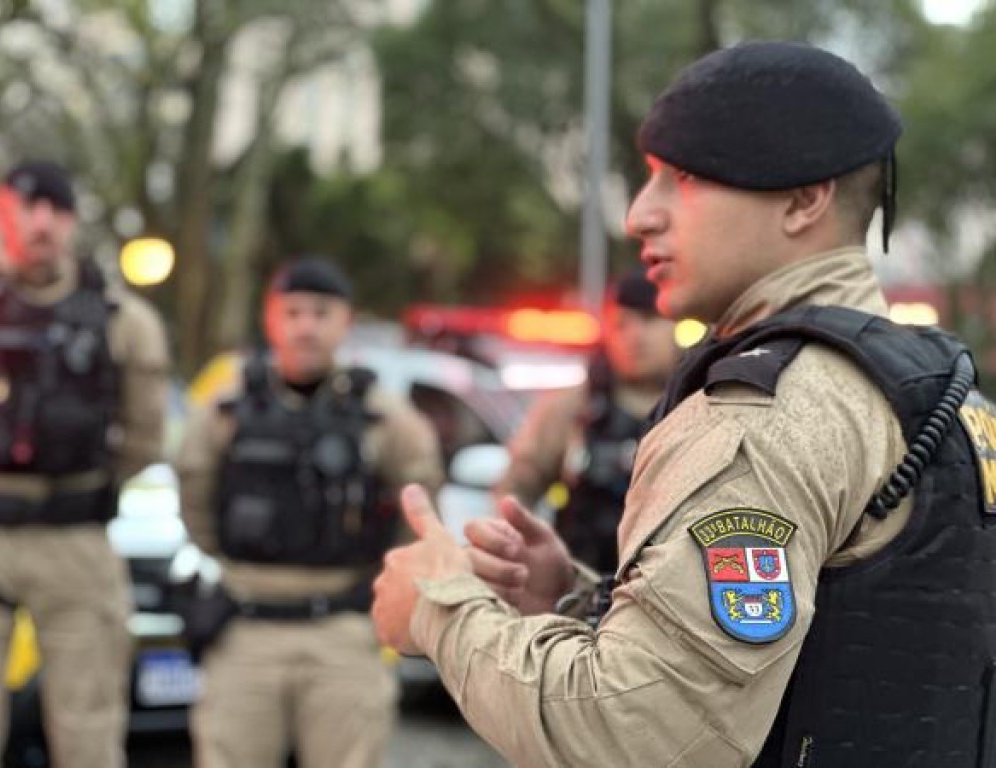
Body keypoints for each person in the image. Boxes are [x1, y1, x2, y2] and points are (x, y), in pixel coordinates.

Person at [371, 40, 996, 768]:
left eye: (686, 178)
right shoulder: (947, 391)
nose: (640, 215)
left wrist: (440, 609)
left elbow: (634, 735)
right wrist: (576, 599)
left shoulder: (765, 420)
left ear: (804, 200)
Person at [176, 257, 444, 768]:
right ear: (270, 318)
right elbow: (195, 495)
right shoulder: (226, 409)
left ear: (346, 322)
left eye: (321, 313)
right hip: (245, 626)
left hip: (343, 630)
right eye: (293, 312)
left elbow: (420, 509)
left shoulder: (384, 417)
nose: (306, 327)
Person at [0, 160, 170, 768]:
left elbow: (144, 439)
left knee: (87, 726)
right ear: (0, 214)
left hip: (75, 538)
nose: (41, 223)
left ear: (73, 222)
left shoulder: (122, 320)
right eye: (26, 208)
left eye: (56, 210)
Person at [495, 268, 679, 573]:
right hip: (582, 584)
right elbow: (515, 492)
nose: (635, 335)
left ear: (674, 324)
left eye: (649, 320)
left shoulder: (701, 403)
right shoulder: (570, 410)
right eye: (622, 324)